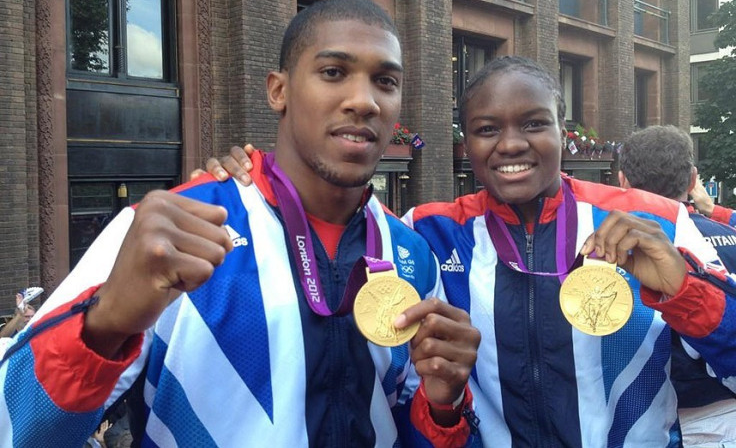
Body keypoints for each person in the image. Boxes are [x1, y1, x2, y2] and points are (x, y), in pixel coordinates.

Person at [0, 0, 481, 447]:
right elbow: (15, 425)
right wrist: (103, 325)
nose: (365, 101)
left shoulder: (411, 254)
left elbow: (409, 424)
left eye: (386, 81)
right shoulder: (171, 231)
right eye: (333, 72)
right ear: (278, 90)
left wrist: (444, 407)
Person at [208, 55, 736, 446]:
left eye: (533, 123)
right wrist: (244, 183)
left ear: (561, 128)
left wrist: (687, 290)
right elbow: (324, 214)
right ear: (469, 141)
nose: (510, 144)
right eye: (487, 130)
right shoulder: (429, 232)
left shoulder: (656, 220)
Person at [618, 124, 736, 446]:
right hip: (722, 419)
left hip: (632, 422)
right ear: (693, 180)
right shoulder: (731, 239)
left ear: (622, 181)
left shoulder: (601, 249)